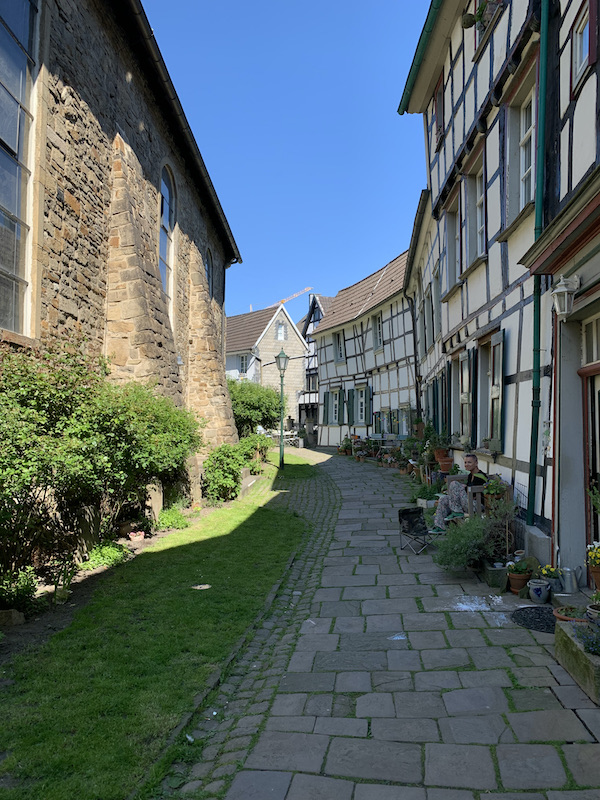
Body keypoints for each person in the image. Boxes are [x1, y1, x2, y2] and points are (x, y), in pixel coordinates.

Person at [429, 453, 487, 533]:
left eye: (469, 462)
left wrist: (463, 488)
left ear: (476, 463)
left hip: (476, 506)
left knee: (454, 484)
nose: (466, 465)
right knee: (444, 499)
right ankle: (440, 526)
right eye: (465, 462)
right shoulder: (471, 475)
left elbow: (474, 494)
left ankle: (456, 511)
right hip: (467, 502)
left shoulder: (481, 477)